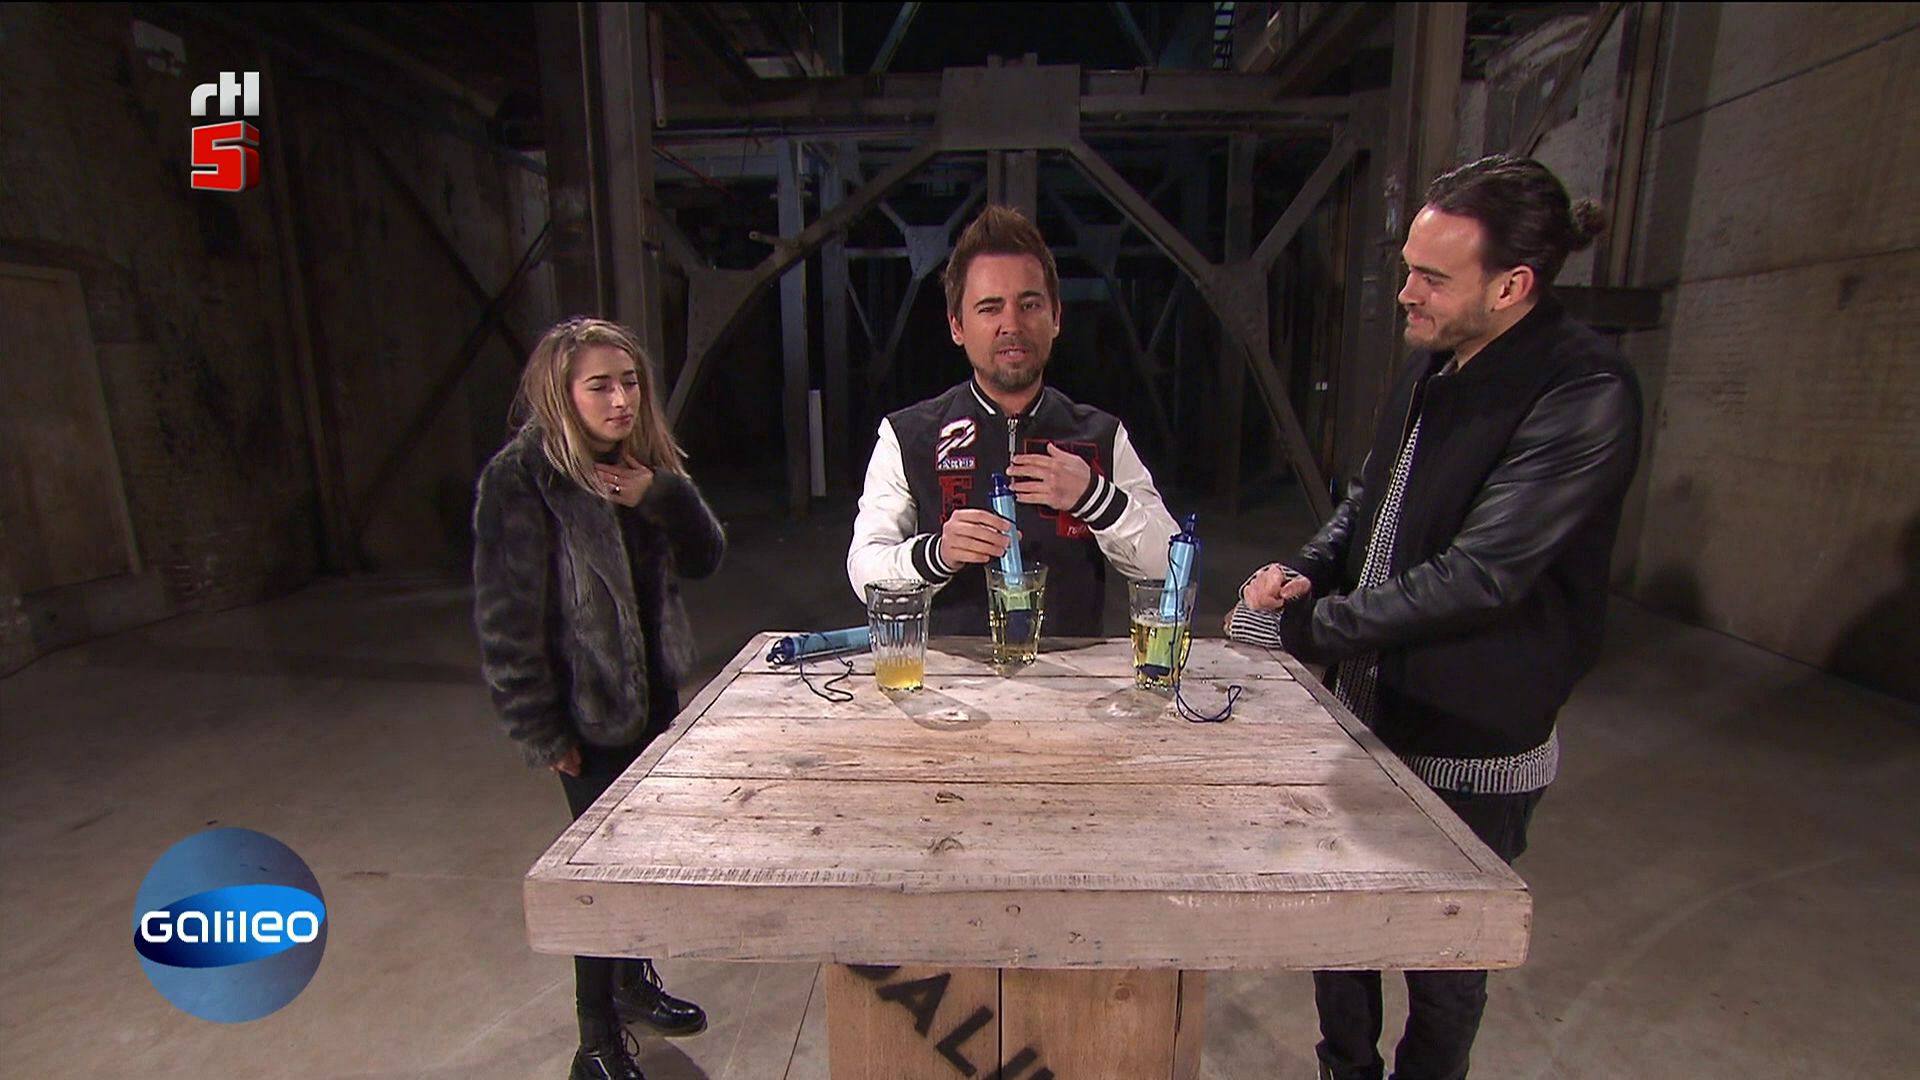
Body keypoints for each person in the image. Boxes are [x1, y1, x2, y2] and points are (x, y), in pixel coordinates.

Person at [1227, 156, 1643, 1080]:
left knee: (1447, 956)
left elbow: (1479, 578)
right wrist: (1304, 571)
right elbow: (1369, 496)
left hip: (1472, 743)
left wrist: (1302, 633)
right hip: (1369, 718)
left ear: (1512, 285)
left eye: (1432, 277)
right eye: (1407, 267)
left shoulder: (1583, 391)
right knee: (1341, 929)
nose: (1406, 293)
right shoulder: (1436, 362)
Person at [472, 317, 724, 1080]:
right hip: (586, 714)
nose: (621, 400)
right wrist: (542, 731)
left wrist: (662, 494)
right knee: (596, 875)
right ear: (562, 393)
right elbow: (507, 621)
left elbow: (706, 557)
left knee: (641, 860)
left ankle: (632, 981)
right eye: (600, 387)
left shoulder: (640, 465)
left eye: (630, 382)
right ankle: (595, 1041)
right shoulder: (522, 480)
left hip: (655, 703)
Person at [848, 205, 1180, 635]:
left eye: (1029, 304)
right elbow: (864, 570)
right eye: (990, 308)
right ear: (957, 326)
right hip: (949, 672)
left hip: (1073, 671)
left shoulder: (1102, 435)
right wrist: (938, 554)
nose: (1012, 324)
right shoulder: (907, 436)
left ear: (1055, 317)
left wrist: (1096, 498)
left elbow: (1173, 566)